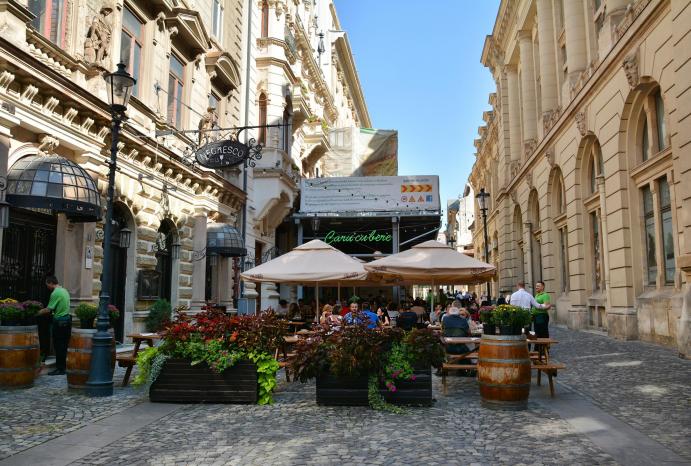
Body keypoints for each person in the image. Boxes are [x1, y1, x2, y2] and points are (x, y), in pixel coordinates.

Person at [38, 276, 71, 376]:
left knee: (58, 346)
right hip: (67, 321)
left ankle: (60, 369)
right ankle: (63, 367)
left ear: (51, 283)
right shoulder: (64, 290)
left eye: (47, 284)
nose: (47, 287)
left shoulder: (55, 293)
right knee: (63, 346)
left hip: (60, 323)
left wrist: (36, 312)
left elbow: (49, 309)